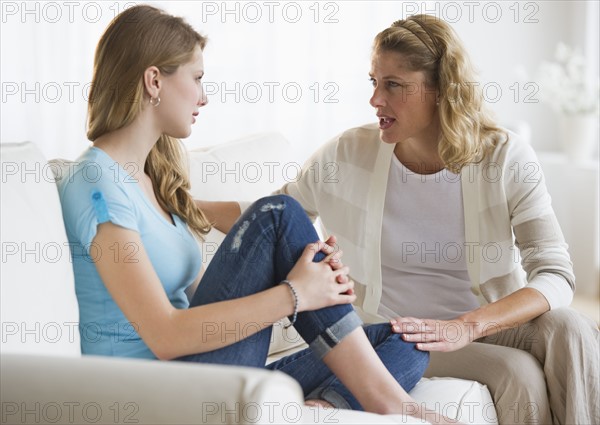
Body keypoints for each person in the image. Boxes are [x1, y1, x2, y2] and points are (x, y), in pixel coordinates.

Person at [56, 5, 458, 423]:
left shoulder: (154, 181)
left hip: (198, 372)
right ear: (154, 80)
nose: (204, 96)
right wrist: (296, 294)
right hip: (155, 395)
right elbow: (165, 336)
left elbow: (205, 310)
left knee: (406, 338)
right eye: (197, 79)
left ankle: (328, 408)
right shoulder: (97, 182)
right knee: (278, 215)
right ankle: (396, 407)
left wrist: (300, 273)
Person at [204, 14, 599, 425]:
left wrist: (467, 326)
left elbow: (555, 273)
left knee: (570, 326)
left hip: (482, 322)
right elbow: (271, 216)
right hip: (403, 333)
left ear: (442, 90)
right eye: (374, 82)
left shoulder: (505, 158)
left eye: (393, 85)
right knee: (519, 375)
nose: (376, 99)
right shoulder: (347, 154)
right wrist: (180, 202)